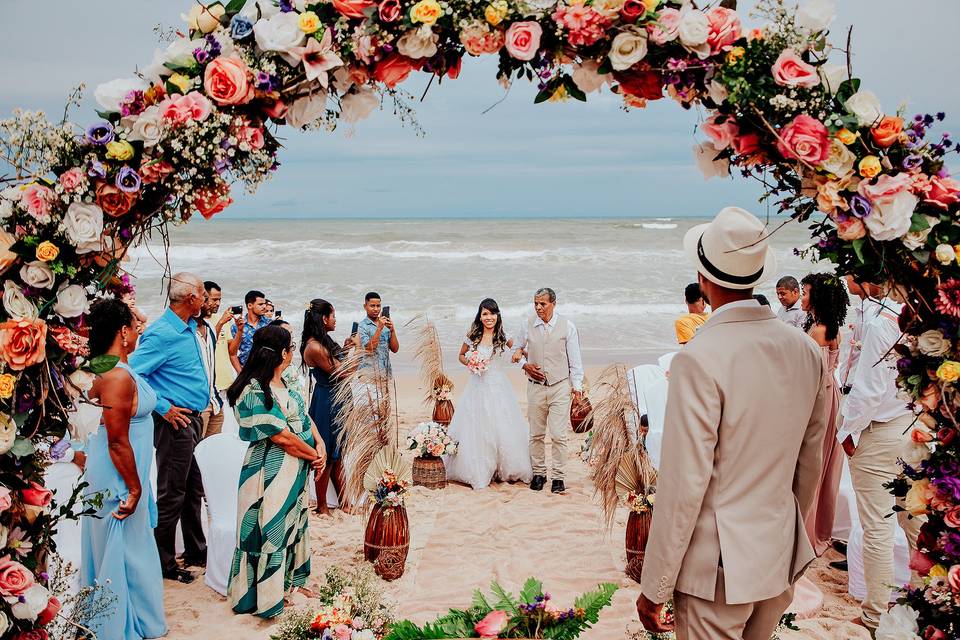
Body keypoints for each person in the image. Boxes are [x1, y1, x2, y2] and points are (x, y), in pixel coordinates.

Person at [636, 207, 830, 640]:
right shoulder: (804, 349)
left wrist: (655, 586)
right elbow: (809, 462)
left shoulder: (699, 358)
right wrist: (787, 531)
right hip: (777, 550)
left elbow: (685, 483)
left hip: (718, 567)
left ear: (703, 281)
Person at [837, 280, 923, 632]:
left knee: (878, 528)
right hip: (915, 428)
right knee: (915, 522)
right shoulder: (916, 316)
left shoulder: (880, 322)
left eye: (849, 274)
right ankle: (921, 604)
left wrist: (845, 431)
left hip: (882, 430)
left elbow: (869, 390)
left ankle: (874, 614)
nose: (845, 281)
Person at [81, 298, 167, 640]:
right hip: (118, 473)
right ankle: (119, 628)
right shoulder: (115, 376)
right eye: (134, 324)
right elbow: (117, 440)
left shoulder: (110, 367)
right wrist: (134, 489)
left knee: (133, 549)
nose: (140, 328)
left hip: (129, 468)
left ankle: (133, 621)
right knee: (126, 551)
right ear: (122, 332)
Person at [226, 324, 326, 618]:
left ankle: (291, 583)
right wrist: (315, 457)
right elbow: (280, 436)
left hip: (296, 467)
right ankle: (265, 596)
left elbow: (303, 418)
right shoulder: (253, 389)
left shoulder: (285, 382)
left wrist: (318, 444)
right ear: (284, 353)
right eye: (291, 348)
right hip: (268, 470)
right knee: (268, 527)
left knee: (293, 522)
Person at [130, 272, 210, 583]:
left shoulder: (189, 328)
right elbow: (132, 374)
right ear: (191, 298)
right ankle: (163, 562)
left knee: (192, 489)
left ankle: (195, 550)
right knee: (172, 492)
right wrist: (162, 407)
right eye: (203, 294)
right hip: (175, 423)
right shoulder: (162, 333)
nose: (204, 300)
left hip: (193, 419)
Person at [444, 299, 533, 490]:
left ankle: (503, 468)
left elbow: (518, 351)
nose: (489, 317)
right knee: (476, 426)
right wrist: (471, 362)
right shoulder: (473, 335)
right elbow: (461, 355)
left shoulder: (503, 336)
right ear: (480, 316)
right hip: (477, 385)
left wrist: (524, 355)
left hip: (498, 385)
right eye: (485, 314)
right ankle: (480, 468)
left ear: (497, 315)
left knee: (502, 424)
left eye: (492, 313)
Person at [512, 287, 584, 494]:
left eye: (542, 304)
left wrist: (577, 389)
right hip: (535, 389)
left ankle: (559, 477)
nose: (538, 307)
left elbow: (575, 361)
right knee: (535, 434)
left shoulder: (568, 327)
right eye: (535, 303)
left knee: (559, 435)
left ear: (553, 303)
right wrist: (525, 365)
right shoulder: (527, 325)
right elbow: (515, 349)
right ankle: (539, 473)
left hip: (560, 387)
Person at [799, 273, 850, 556]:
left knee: (812, 462)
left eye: (805, 292)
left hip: (819, 396)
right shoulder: (832, 327)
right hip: (832, 394)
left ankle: (806, 531)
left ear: (817, 296)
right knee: (824, 463)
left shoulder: (819, 330)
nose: (803, 297)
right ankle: (819, 528)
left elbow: (811, 374)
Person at [301, 299, 357, 514]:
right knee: (326, 453)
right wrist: (358, 353)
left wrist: (346, 349)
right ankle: (322, 506)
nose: (336, 319)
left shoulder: (323, 341)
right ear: (324, 319)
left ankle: (344, 502)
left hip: (337, 399)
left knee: (338, 454)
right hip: (328, 402)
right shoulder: (314, 346)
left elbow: (335, 365)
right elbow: (342, 373)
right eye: (333, 316)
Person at [198, 281, 233, 438]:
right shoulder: (193, 325)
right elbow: (208, 344)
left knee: (213, 444)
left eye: (219, 299)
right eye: (214, 299)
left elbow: (232, 351)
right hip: (201, 396)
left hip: (217, 393)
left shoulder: (216, 321)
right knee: (197, 446)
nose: (217, 303)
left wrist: (239, 331)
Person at [358, 292, 399, 378]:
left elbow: (395, 349)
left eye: (378, 306)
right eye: (372, 306)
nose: (376, 309)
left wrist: (392, 330)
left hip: (385, 372)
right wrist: (379, 328)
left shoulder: (385, 324)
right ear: (365, 306)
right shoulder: (362, 326)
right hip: (368, 373)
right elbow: (369, 349)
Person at [230, 290, 270, 371]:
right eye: (260, 304)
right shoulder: (236, 327)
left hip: (266, 370)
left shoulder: (270, 324)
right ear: (250, 305)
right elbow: (232, 352)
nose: (264, 307)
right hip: (245, 370)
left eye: (264, 304)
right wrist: (240, 373)